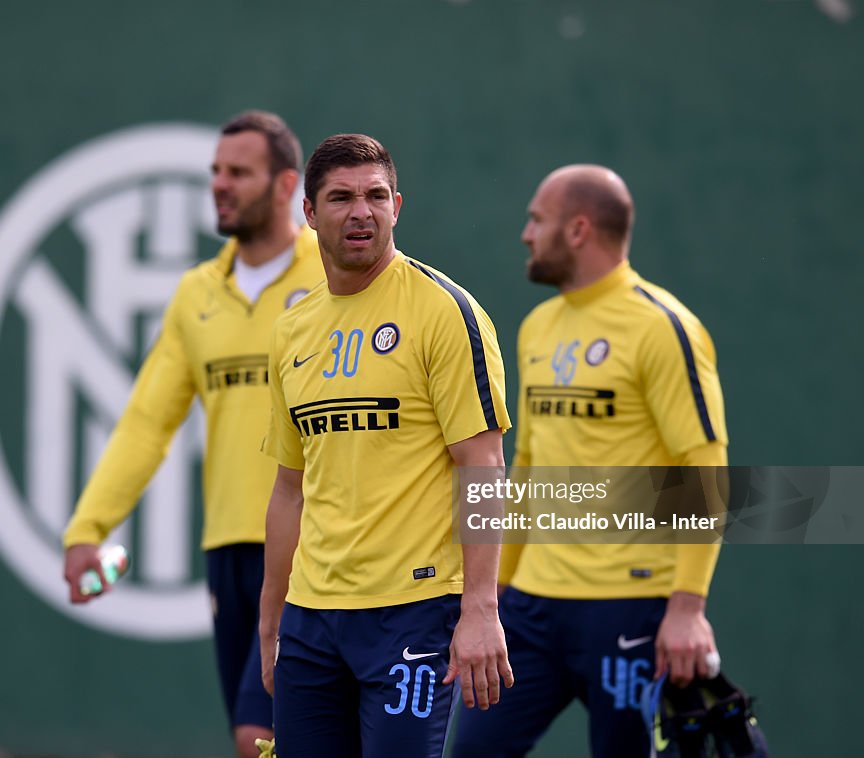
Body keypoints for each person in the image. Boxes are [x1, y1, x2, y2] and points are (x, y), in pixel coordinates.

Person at [62, 110, 323, 758]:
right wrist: (89, 527)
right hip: (228, 551)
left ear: (286, 184)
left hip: (311, 541)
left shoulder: (335, 272)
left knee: (257, 734)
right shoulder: (195, 293)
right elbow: (148, 421)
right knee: (276, 738)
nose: (220, 185)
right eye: (215, 172)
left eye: (239, 172)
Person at [453, 165, 728, 758]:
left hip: (629, 609)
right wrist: (494, 592)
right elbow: (525, 466)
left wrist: (687, 607)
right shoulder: (536, 327)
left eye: (536, 220)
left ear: (578, 230)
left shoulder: (662, 327)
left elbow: (702, 465)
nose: (526, 234)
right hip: (531, 609)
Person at [258, 133, 515, 758]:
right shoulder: (292, 330)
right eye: (341, 198)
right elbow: (290, 488)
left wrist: (481, 605)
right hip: (312, 620)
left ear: (397, 205)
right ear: (310, 214)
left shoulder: (443, 310)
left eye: (375, 196)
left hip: (415, 611)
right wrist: (271, 623)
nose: (361, 212)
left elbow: (481, 465)